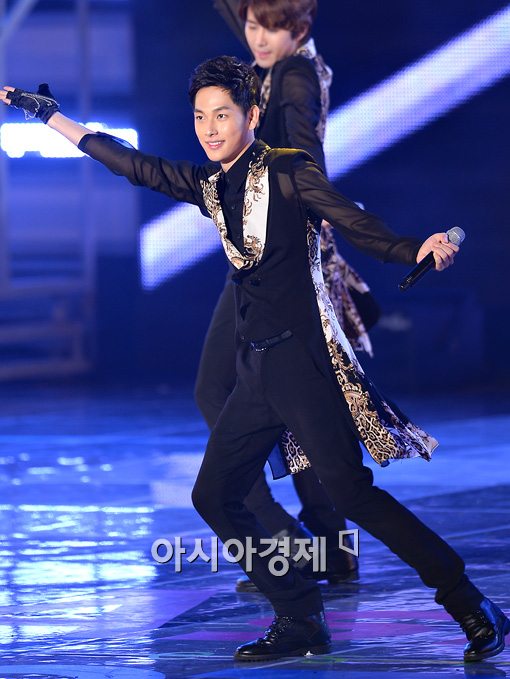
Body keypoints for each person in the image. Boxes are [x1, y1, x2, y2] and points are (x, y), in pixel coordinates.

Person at [2, 60, 508, 664]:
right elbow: (131, 163)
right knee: (214, 496)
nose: (210, 128)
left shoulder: (288, 171)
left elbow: (352, 220)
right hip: (256, 372)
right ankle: (299, 615)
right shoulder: (209, 184)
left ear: (252, 115)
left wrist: (411, 248)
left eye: (222, 115)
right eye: (200, 117)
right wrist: (49, 117)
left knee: (352, 496)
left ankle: (470, 603)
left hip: (303, 367)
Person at [199, 0, 371, 590]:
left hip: (281, 259)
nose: (257, 37)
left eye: (271, 28)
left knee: (222, 390)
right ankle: (325, 546)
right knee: (295, 406)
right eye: (252, 24)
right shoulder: (277, 59)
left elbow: (303, 160)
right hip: (268, 255)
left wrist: (308, 204)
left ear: (298, 29)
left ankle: (289, 543)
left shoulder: (294, 75)